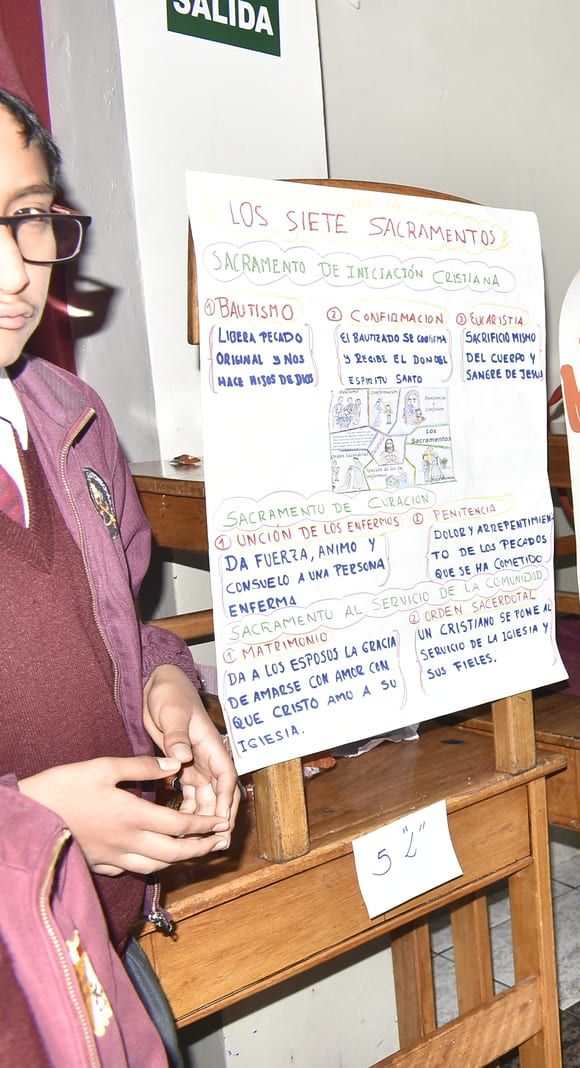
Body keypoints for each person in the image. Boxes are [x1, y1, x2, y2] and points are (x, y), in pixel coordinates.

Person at [0, 87, 240, 1060]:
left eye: (28, 217)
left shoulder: (74, 422)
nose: (17, 270)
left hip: (103, 945)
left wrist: (170, 691)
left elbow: (114, 629)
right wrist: (39, 824)